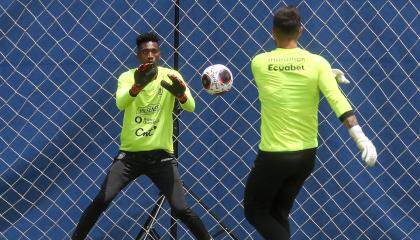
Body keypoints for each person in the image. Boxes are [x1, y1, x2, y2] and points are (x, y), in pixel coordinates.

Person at [243, 6, 377, 240]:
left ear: (273, 32)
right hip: (306, 156)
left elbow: (286, 75)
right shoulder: (318, 63)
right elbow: (337, 99)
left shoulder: (259, 63)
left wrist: (323, 73)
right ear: (301, 31)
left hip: (275, 155)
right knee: (278, 212)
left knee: (255, 211)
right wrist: (360, 137)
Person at [72, 32, 211, 240]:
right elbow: (121, 103)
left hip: (161, 157)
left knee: (181, 208)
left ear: (159, 54)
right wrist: (137, 87)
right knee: (102, 200)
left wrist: (181, 94)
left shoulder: (171, 76)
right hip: (130, 157)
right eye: (145, 52)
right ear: (138, 55)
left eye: (154, 51)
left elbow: (191, 106)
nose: (150, 55)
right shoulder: (128, 77)